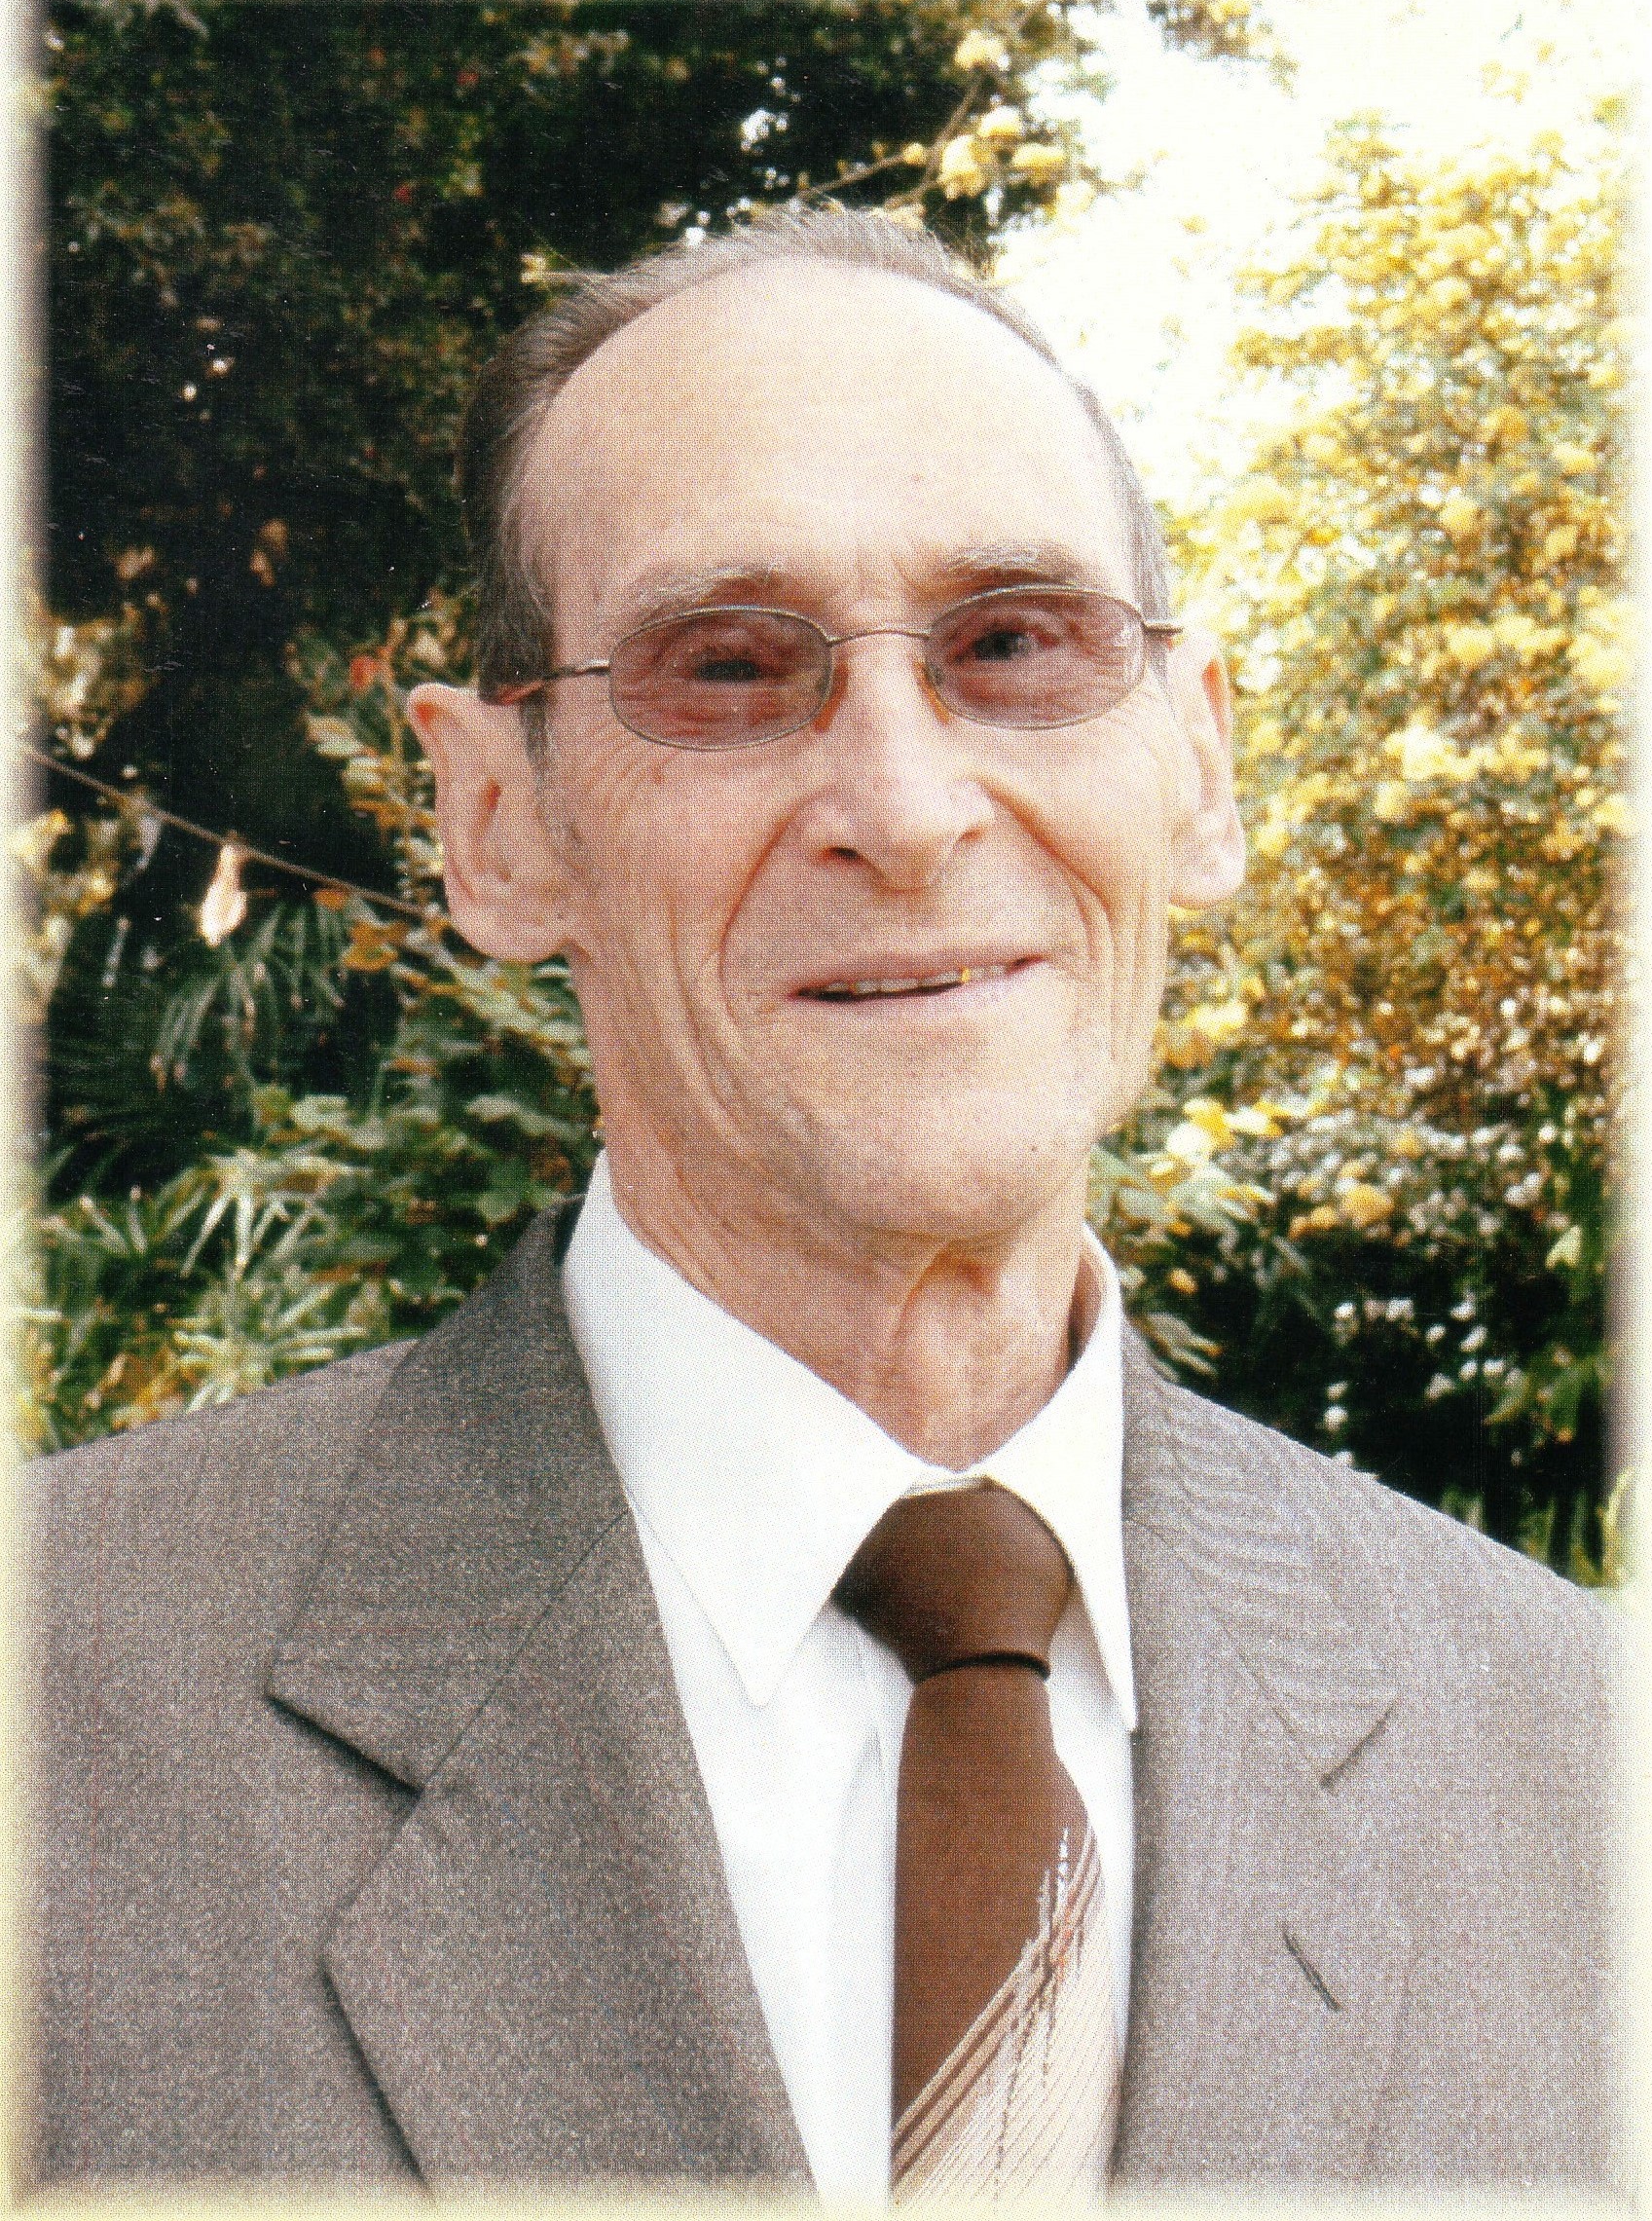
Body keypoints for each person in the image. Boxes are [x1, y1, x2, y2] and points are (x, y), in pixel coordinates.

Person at [26, 208, 1621, 2196]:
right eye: (729, 668)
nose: (907, 807)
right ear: (497, 825)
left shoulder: (1581, 1766)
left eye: (1015, 645)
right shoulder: (57, 1704)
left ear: (1198, 762)